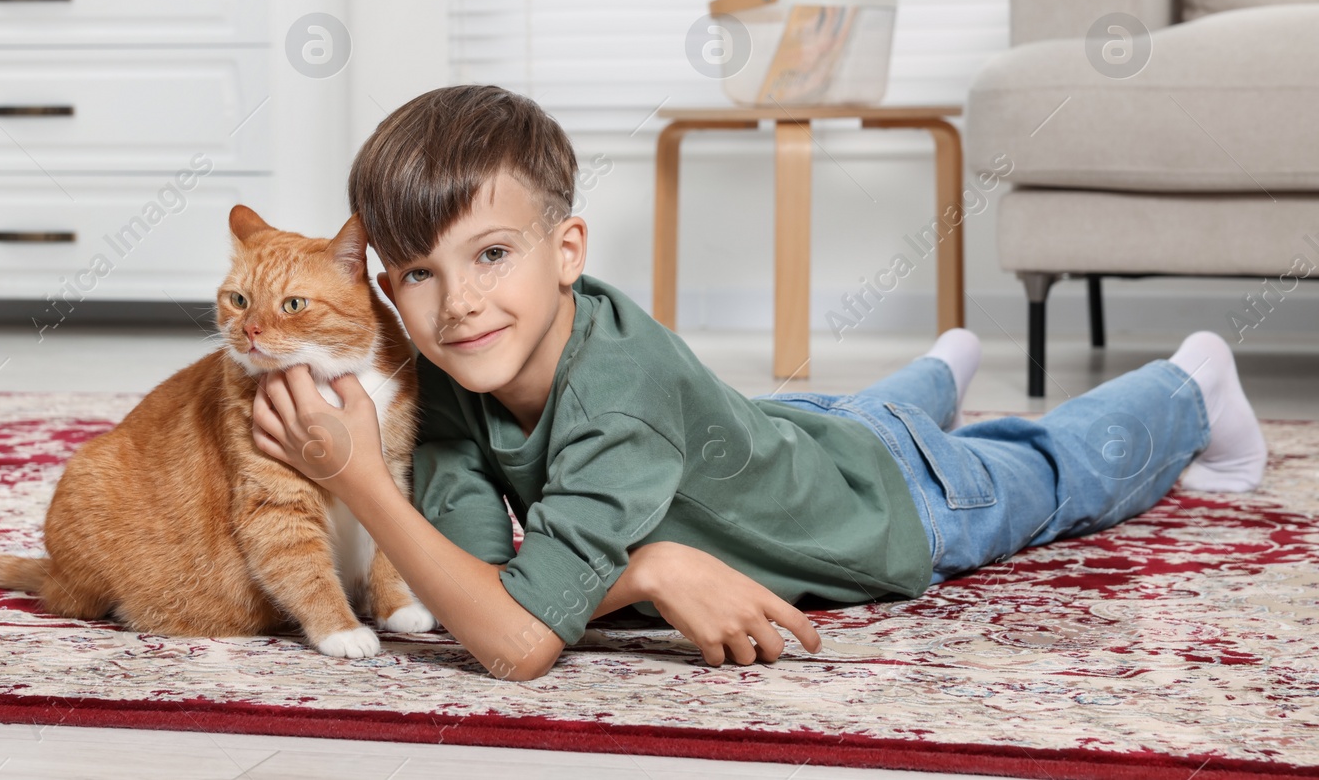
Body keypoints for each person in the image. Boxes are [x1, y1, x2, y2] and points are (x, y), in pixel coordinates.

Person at [250, 85, 1267, 681]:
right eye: (420, 272)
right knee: (854, 419)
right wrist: (641, 569)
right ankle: (930, 376)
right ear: (388, 288)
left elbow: (515, 637)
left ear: (567, 250)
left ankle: (1188, 382)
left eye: (491, 255)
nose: (458, 302)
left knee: (1051, 467)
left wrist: (360, 483)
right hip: (790, 434)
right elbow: (472, 581)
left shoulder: (617, 395)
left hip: (898, 501)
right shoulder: (461, 374)